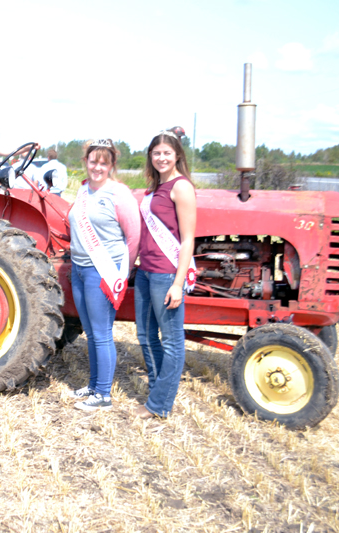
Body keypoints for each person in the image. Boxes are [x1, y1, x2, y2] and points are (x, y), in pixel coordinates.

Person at [68, 139, 140, 411]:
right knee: (91, 332)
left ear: (111, 165)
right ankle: (94, 384)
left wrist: (122, 272)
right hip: (79, 269)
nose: (97, 167)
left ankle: (103, 395)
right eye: (93, 161)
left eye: (104, 162)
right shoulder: (83, 190)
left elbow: (133, 237)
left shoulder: (119, 194)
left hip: (102, 272)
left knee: (101, 333)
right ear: (86, 162)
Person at [133, 130, 197, 419]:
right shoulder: (153, 187)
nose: (161, 157)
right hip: (145, 272)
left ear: (177, 156)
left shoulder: (180, 187)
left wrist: (178, 282)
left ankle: (159, 405)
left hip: (165, 274)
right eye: (156, 152)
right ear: (151, 156)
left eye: (166, 153)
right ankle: (158, 391)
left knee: (171, 341)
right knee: (146, 336)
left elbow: (187, 239)